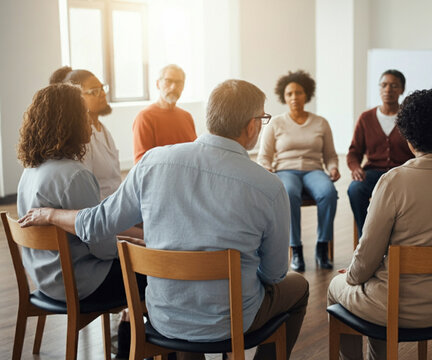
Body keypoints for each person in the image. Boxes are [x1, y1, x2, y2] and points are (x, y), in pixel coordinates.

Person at [19, 79, 309, 360]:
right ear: (252, 125)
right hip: (232, 321)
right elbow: (274, 274)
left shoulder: (152, 162)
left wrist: (51, 213)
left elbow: (96, 225)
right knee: (299, 287)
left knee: (180, 292)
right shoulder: (269, 187)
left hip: (164, 316)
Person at [327, 88, 432, 360]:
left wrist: (351, 277)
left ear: (407, 134)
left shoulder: (394, 181)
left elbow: (367, 256)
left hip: (396, 308)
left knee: (337, 285)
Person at [16, 84, 146, 357]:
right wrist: (133, 242)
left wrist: (123, 235)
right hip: (80, 284)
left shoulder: (30, 171)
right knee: (158, 275)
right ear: (70, 121)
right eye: (84, 114)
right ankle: (131, 349)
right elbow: (103, 248)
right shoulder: (75, 175)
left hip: (45, 278)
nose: (90, 120)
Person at [257, 70, 339, 271]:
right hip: (286, 170)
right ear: (284, 97)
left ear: (307, 95)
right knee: (288, 194)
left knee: (329, 193)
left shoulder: (321, 122)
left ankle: (322, 248)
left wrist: (333, 167)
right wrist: (267, 168)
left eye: (299, 92)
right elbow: (264, 156)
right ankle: (296, 251)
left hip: (314, 170)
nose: (294, 97)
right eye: (289, 94)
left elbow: (330, 155)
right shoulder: (275, 123)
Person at [347, 69, 414, 239]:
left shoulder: (409, 117)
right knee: (355, 189)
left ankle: (401, 238)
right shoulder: (366, 118)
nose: (388, 89)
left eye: (394, 85)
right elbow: (354, 152)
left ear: (402, 90)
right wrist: (355, 168)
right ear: (379, 88)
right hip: (373, 173)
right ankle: (366, 237)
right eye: (384, 85)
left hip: (403, 173)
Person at [50, 66, 122, 200]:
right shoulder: (81, 138)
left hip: (114, 203)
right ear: (76, 98)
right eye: (94, 91)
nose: (102, 94)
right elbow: (85, 188)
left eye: (102, 88)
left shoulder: (103, 130)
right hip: (97, 208)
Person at [132, 64, 197, 164]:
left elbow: (194, 153)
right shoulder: (145, 117)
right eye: (168, 81)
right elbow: (141, 162)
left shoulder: (187, 117)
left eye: (179, 82)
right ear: (158, 84)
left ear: (183, 86)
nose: (173, 87)